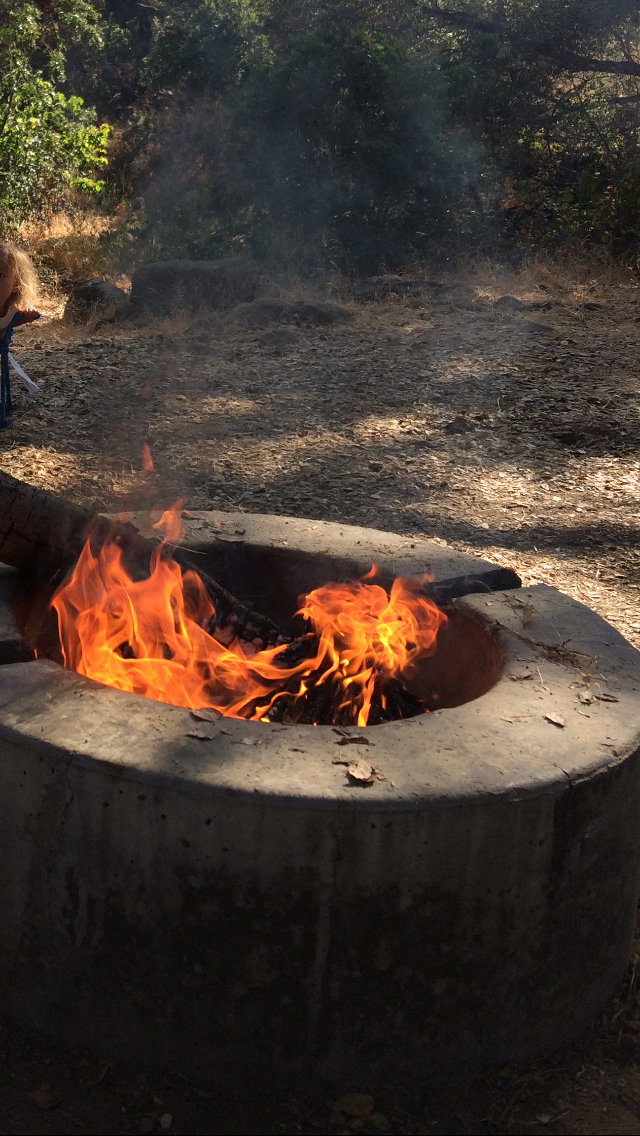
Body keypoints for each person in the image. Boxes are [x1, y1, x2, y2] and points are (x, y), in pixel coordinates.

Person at [0, 242, 41, 428]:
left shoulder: (12, 310)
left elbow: (19, 316)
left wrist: (28, 314)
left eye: (0, 275)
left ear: (16, 284)